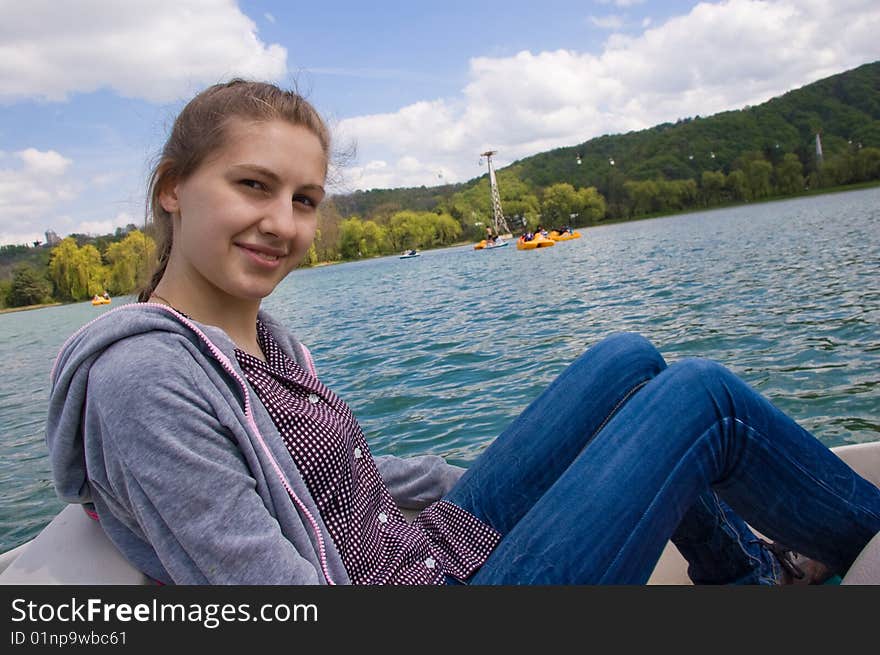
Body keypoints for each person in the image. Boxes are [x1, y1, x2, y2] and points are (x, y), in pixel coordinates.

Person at [46, 79, 879, 586]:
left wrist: (513, 483)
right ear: (172, 189)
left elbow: (343, 483)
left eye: (303, 199)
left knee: (625, 360)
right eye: (252, 184)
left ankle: (744, 571)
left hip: (424, 551)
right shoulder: (148, 382)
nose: (282, 222)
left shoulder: (262, 339)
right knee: (703, 400)